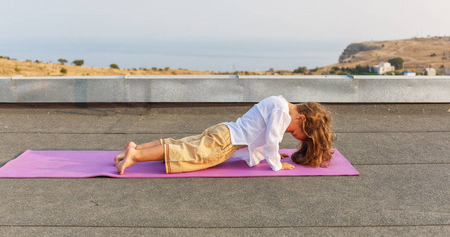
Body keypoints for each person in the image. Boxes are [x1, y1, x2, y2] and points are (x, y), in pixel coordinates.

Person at [114, 95, 335, 175]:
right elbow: (272, 140)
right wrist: (276, 163)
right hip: (226, 142)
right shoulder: (282, 112)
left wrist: (275, 154)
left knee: (182, 143)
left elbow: (263, 138)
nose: (290, 132)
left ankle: (137, 147)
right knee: (189, 155)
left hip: (224, 130)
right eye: (295, 132)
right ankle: (136, 157)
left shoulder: (277, 102)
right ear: (301, 119)